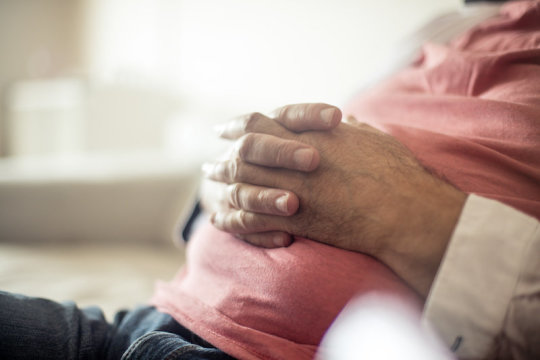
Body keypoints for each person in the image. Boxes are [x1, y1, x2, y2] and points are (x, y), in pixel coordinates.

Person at [1, 1, 539, 360]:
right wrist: (229, 184)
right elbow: (311, 161)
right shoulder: (441, 32)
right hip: (138, 325)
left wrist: (403, 210)